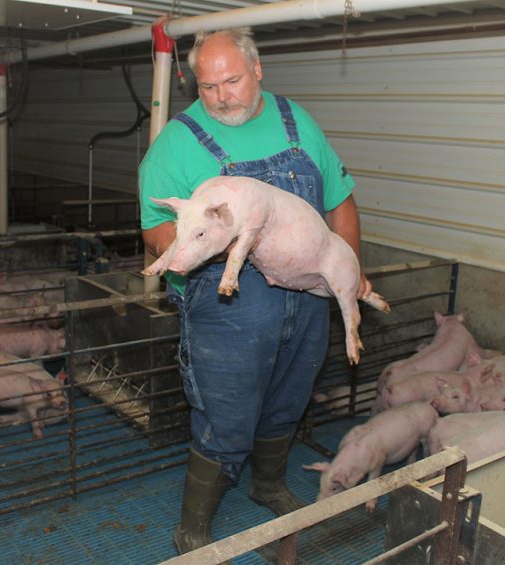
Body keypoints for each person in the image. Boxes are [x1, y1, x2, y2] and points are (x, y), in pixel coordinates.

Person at [138, 27, 372, 554]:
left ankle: (267, 484)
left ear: (258, 70)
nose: (222, 96)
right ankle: (193, 525)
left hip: (309, 295)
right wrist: (219, 244)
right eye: (208, 86)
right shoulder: (178, 142)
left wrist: (350, 267)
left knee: (290, 397)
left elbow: (341, 199)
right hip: (230, 304)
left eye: (233, 80)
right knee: (227, 413)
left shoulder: (298, 123)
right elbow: (156, 233)